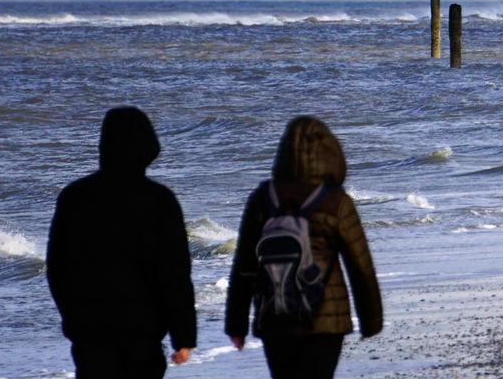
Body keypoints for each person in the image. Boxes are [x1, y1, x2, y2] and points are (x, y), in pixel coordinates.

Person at [225, 115, 382, 378]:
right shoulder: (336, 201)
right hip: (325, 318)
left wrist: (236, 324)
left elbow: (244, 267)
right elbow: (360, 266)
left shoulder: (263, 197)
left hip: (275, 315)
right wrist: (371, 322)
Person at [47, 106, 197, 376]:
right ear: (148, 146)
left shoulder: (75, 197)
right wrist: (183, 337)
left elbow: (57, 269)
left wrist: (73, 317)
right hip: (143, 331)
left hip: (90, 332)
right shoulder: (160, 200)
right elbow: (174, 274)